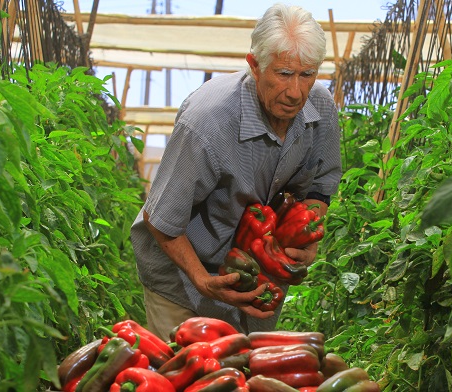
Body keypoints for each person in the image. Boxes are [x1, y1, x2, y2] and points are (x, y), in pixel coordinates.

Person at [130, 3, 343, 339]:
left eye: (308, 74)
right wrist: (203, 281)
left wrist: (308, 237)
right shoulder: (208, 123)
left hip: (254, 276)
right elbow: (162, 217)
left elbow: (321, 184)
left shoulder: (320, 108)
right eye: (284, 74)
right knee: (187, 374)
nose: (296, 92)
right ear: (254, 66)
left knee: (239, 374)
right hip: (183, 276)